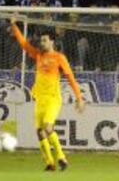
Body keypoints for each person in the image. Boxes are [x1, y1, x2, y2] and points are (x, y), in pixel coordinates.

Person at [11, 17, 84, 171]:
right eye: (41, 41)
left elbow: (70, 77)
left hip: (53, 99)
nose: (41, 43)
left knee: (48, 128)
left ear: (52, 42)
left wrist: (79, 98)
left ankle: (62, 157)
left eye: (44, 41)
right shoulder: (38, 55)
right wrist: (14, 25)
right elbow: (24, 44)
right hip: (39, 99)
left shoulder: (59, 58)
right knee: (39, 132)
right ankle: (49, 163)